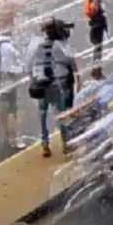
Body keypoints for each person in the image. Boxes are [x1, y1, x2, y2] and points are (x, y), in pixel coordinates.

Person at [29, 18, 79, 157]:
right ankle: (66, 144)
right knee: (61, 115)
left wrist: (36, 79)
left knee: (42, 114)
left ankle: (45, 143)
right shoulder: (58, 45)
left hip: (42, 85)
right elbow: (68, 59)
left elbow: (32, 65)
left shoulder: (39, 46)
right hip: (56, 85)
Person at [0, 35, 25, 149]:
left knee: (4, 111)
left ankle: (6, 136)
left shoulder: (0, 47)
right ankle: (13, 138)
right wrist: (21, 69)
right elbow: (8, 67)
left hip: (2, 84)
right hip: (8, 84)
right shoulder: (7, 47)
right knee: (12, 111)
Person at [86, 0, 108, 64]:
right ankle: (96, 60)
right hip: (96, 31)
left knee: (98, 46)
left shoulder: (98, 10)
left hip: (97, 31)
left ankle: (97, 60)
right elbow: (92, 21)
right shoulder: (95, 8)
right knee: (98, 46)